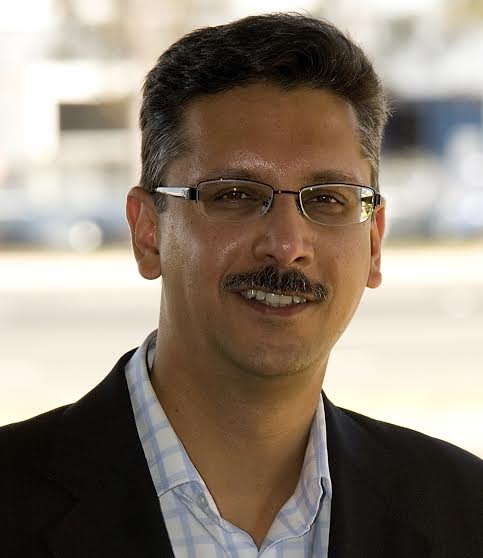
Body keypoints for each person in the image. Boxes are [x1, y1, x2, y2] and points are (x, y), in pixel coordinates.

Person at [1, 13, 482, 558]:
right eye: (235, 195)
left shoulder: (465, 512)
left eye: (328, 199)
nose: (287, 244)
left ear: (374, 242)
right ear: (147, 232)